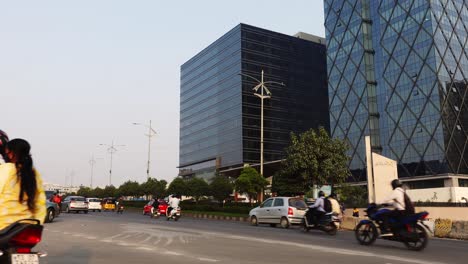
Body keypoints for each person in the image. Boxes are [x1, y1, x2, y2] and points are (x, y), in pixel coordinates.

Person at [0, 138, 46, 230]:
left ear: (11, 154)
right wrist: (37, 224)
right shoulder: (34, 173)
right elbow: (40, 202)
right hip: (27, 226)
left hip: (4, 227)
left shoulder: (5, 169)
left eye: (6, 152)